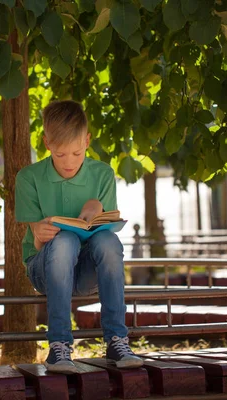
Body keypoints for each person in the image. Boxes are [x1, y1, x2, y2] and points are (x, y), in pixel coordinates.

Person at [15, 100, 143, 374]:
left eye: (76, 152)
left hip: (87, 273)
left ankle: (117, 341)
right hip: (44, 269)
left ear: (87, 140)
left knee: (109, 241)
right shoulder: (28, 178)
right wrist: (39, 232)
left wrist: (95, 208)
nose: (69, 162)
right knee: (64, 241)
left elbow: (103, 232)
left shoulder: (103, 174)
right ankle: (59, 346)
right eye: (61, 155)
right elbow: (36, 246)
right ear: (47, 143)